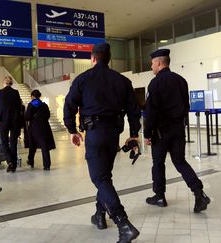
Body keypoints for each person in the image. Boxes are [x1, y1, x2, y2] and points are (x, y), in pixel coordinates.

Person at [63, 42, 141, 243]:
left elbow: (69, 105)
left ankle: (123, 223)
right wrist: (134, 134)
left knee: (100, 178)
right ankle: (99, 215)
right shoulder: (122, 81)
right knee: (105, 175)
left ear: (93, 58)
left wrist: (72, 130)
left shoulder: (82, 79)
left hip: (95, 133)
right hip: (113, 134)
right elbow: (134, 110)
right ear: (109, 59)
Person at [144, 49, 211, 212]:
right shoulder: (181, 80)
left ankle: (159, 196)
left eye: (152, 63)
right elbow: (186, 106)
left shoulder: (155, 83)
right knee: (180, 161)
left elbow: (151, 111)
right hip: (178, 130)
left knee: (158, 163)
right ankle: (199, 193)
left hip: (161, 132)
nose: (151, 66)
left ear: (159, 63)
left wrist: (147, 134)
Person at [0, 76, 22, 173]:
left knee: (4, 142)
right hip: (14, 121)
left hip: (3, 121)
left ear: (4, 83)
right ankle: (13, 165)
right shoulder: (15, 92)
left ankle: (9, 161)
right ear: (11, 83)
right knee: (13, 142)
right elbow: (19, 107)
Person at [25, 90, 55, 170]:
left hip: (34, 128)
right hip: (44, 127)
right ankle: (47, 165)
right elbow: (48, 116)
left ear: (32, 96)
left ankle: (31, 161)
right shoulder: (44, 105)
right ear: (39, 96)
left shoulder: (31, 105)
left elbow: (27, 117)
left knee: (33, 145)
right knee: (44, 146)